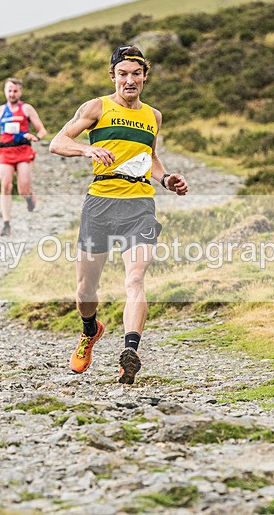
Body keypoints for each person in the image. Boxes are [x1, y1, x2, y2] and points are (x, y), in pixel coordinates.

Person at [49, 45, 188, 384]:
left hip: (140, 203)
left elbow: (150, 157)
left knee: (135, 279)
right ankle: (90, 330)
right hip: (100, 202)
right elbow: (57, 141)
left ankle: (131, 351)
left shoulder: (153, 116)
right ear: (113, 76)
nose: (130, 80)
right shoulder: (97, 107)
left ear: (144, 77)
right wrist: (87, 148)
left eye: (136, 74)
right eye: (123, 74)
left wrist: (166, 178)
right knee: (85, 291)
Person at [0, 77, 48, 236]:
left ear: (20, 92)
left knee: (23, 189)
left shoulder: (27, 109)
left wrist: (36, 137)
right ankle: (6, 224)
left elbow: (42, 130)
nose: (12, 94)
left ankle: (29, 197)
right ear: (5, 92)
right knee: (5, 185)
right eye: (9, 91)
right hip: (5, 152)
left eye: (15, 91)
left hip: (23, 150)